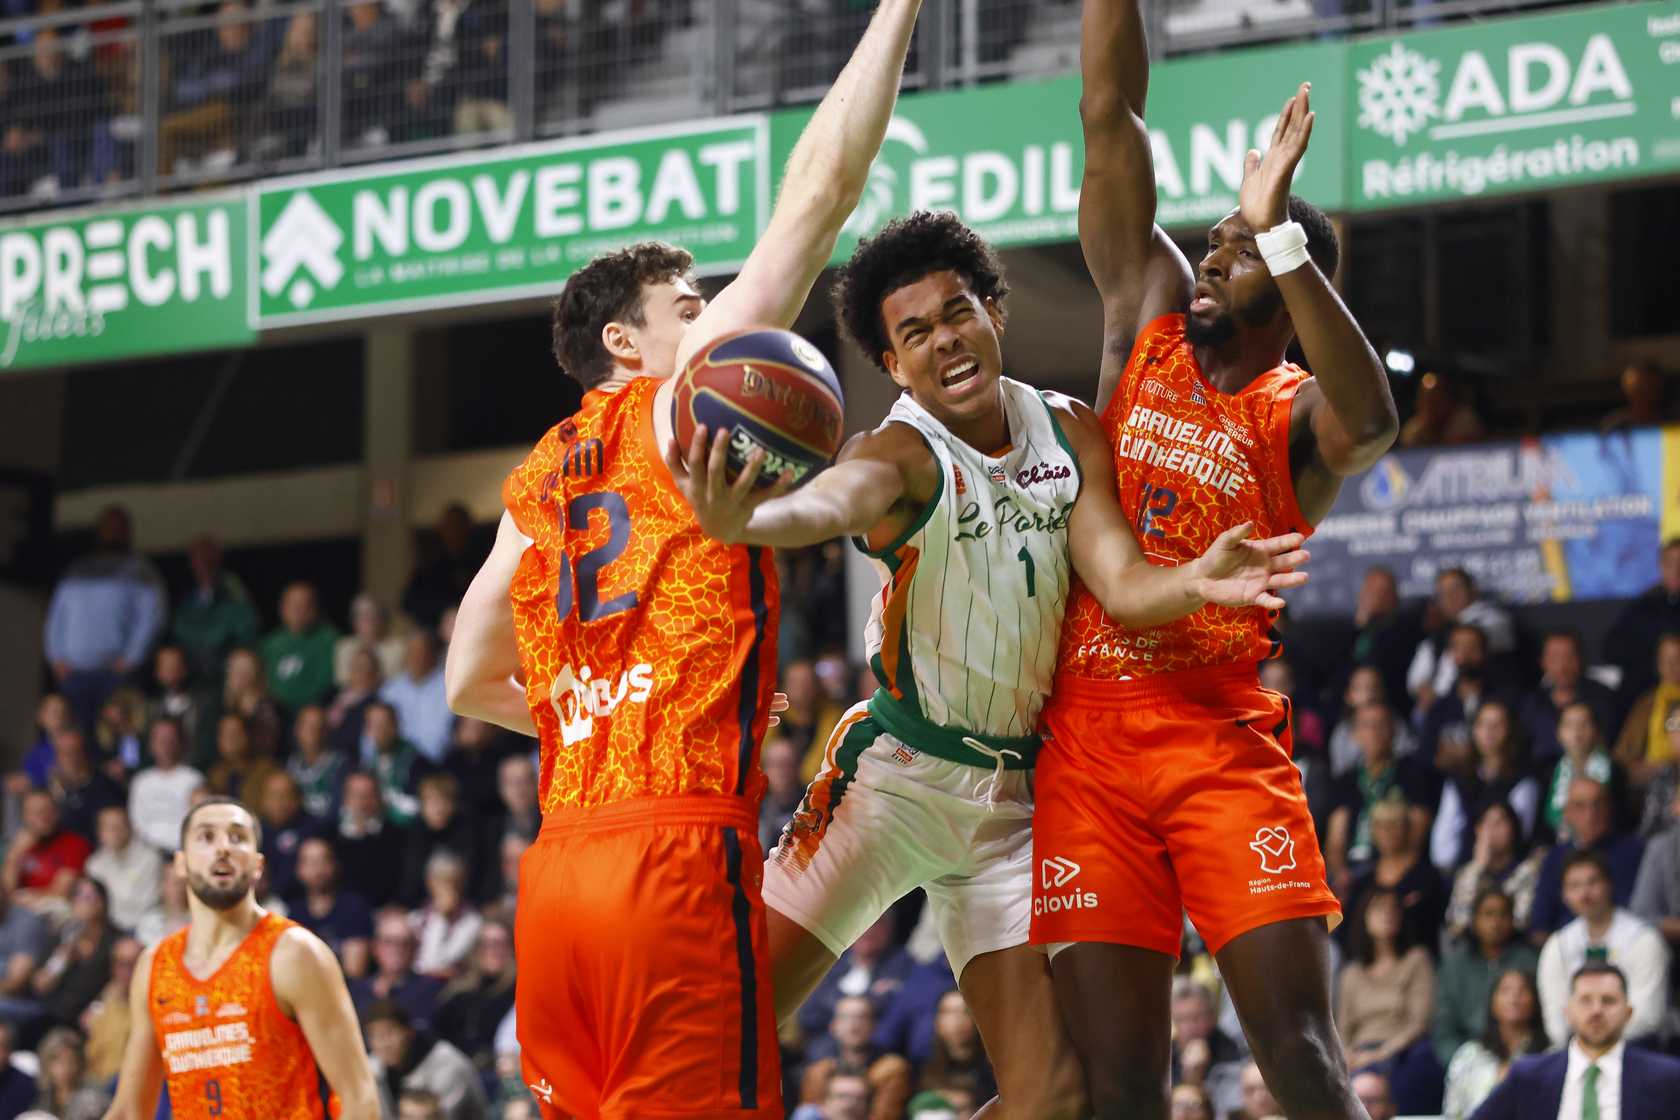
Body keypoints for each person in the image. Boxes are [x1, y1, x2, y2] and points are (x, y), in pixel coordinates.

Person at [679, 214, 1310, 1117]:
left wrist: (1196, 580)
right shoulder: (897, 453)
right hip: (893, 787)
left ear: (994, 314)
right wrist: (755, 523)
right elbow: (833, 500)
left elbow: (1124, 584)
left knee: (1054, 1099)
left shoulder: (1066, 430)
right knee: (724, 1033)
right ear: (894, 367)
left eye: (957, 311)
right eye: (916, 333)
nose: (946, 340)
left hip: (1013, 806)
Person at [444, 3, 932, 1114]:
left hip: (558, 877)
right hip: (670, 859)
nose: (709, 321)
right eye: (687, 308)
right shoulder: (681, 401)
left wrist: (602, 709)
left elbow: (466, 679)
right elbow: (818, 201)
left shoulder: (535, 484)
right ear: (627, 344)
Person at [99, 797, 379, 1119]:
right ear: (180, 863)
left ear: (258, 865)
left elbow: (360, 1097)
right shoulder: (155, 966)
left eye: (237, 837)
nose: (223, 849)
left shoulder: (295, 954)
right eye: (206, 837)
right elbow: (129, 1111)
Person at [1469, 962, 1680, 1120]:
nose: (1597, 1010)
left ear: (1628, 1012)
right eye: (1585, 1000)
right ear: (1568, 1011)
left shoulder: (1666, 1078)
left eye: (1608, 1001)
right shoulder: (1527, 1076)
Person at [44, 506, 167, 734]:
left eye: (117, 528)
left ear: (128, 532)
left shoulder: (140, 572)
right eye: (107, 528)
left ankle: (124, 769)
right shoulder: (78, 571)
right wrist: (55, 657)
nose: (112, 533)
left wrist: (132, 658)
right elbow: (56, 617)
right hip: (74, 674)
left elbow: (152, 617)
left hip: (117, 675)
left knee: (122, 738)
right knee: (74, 738)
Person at [1535, 851, 1669, 1047]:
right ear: (1564, 895)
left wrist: (1600, 1043)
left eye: (1593, 882)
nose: (1585, 893)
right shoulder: (1558, 944)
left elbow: (1648, 1016)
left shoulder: (1643, 939)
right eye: (1574, 886)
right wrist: (1584, 1047)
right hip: (1573, 1050)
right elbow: (1555, 1017)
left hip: (1637, 1049)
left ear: (1609, 885)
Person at [1334, 889, 1436, 1097]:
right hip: (1360, 1052)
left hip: (1402, 1052)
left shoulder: (1416, 960)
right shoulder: (1351, 973)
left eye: (1394, 909)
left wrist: (1380, 1054)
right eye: (1379, 908)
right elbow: (1342, 1030)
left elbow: (1419, 1023)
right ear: (1364, 917)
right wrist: (1348, 1056)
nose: (1387, 914)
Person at [1432, 889, 1540, 1066]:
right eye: (1488, 914)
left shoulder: (1529, 961)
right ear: (1474, 920)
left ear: (1512, 920)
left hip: (1521, 1055)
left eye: (1503, 914)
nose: (1496, 922)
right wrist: (1462, 1063)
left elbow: (1540, 1024)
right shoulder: (1454, 965)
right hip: (1466, 1055)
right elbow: (1444, 1029)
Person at [1431, 700, 1539, 872]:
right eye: (1483, 724)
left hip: (1508, 870)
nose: (1489, 731)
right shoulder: (1460, 778)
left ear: (1511, 730)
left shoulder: (1523, 780)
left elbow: (1520, 836)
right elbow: (1444, 842)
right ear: (1474, 730)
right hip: (1464, 868)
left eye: (1497, 725)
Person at [1529, 778, 1646, 937]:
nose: (1591, 813)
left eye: (1598, 804)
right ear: (1567, 813)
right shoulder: (1554, 858)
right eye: (1580, 806)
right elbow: (1540, 924)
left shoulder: (1635, 851)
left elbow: (1641, 913)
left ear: (1609, 808)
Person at [1441, 968, 1547, 1120]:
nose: (1514, 997)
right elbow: (1452, 1112)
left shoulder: (1550, 1056)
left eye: (1523, 990)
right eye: (1505, 990)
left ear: (1535, 1002)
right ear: (1492, 1002)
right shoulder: (1468, 1055)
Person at [365, 998, 487, 1120]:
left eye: (389, 1033)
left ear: (408, 1032)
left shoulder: (448, 1065)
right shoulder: (374, 1067)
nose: (383, 1044)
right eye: (374, 1036)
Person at [797, 995, 913, 1120]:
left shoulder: (891, 1069)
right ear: (833, 1026)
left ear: (874, 1025)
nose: (854, 1024)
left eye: (862, 1017)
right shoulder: (819, 1071)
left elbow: (886, 1116)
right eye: (845, 1017)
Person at [1446, 801, 1545, 940]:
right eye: (1487, 823)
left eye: (1500, 822)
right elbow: (1458, 923)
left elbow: (1521, 922)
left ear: (1513, 828)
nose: (1493, 829)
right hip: (1472, 949)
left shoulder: (1528, 870)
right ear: (1477, 830)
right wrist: (1477, 869)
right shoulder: (1468, 872)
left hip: (1514, 948)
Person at [170, 535, 260, 685]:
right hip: (192, 672)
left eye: (208, 558)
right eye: (199, 559)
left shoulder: (235, 595)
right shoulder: (187, 602)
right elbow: (180, 634)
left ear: (219, 560)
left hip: (224, 670)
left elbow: (246, 634)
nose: (204, 564)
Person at [1520, 634, 1619, 767]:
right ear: (1543, 662)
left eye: (1569, 657)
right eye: (1554, 658)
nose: (1562, 666)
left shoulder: (1603, 699)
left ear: (1581, 659)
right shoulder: (1532, 703)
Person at [1605, 540, 1680, 703]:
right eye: (1670, 563)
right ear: (1661, 566)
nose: (1676, 570)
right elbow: (1610, 649)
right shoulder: (1642, 607)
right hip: (1645, 692)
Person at [1543, 702, 1625, 842]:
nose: (1577, 731)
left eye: (1584, 724)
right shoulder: (1550, 769)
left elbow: (1618, 817)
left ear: (1596, 730)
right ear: (1558, 733)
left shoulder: (1613, 770)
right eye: (1569, 725)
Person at [1613, 633, 1680, 794]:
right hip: (1649, 788)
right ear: (1658, 664)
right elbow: (1623, 755)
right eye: (1665, 660)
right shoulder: (1646, 703)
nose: (1671, 666)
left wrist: (1666, 767)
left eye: (1678, 659)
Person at [261, 582, 342, 714]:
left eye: (305, 605)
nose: (299, 610)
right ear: (282, 608)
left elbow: (327, 686)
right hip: (276, 715)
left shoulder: (330, 641)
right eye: (293, 604)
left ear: (315, 608)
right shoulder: (270, 644)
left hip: (316, 713)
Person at [127, 718, 204, 854]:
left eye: (170, 739)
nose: (165, 744)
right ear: (151, 744)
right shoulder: (141, 781)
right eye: (160, 739)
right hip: (147, 854)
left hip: (183, 851)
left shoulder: (194, 779)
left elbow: (197, 823)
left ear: (180, 743)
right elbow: (136, 824)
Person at [85, 807, 162, 934]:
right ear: (100, 833)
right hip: (108, 928)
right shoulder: (94, 864)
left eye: (120, 826)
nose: (116, 832)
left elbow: (148, 903)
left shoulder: (150, 858)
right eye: (110, 827)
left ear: (130, 828)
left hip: (142, 925)